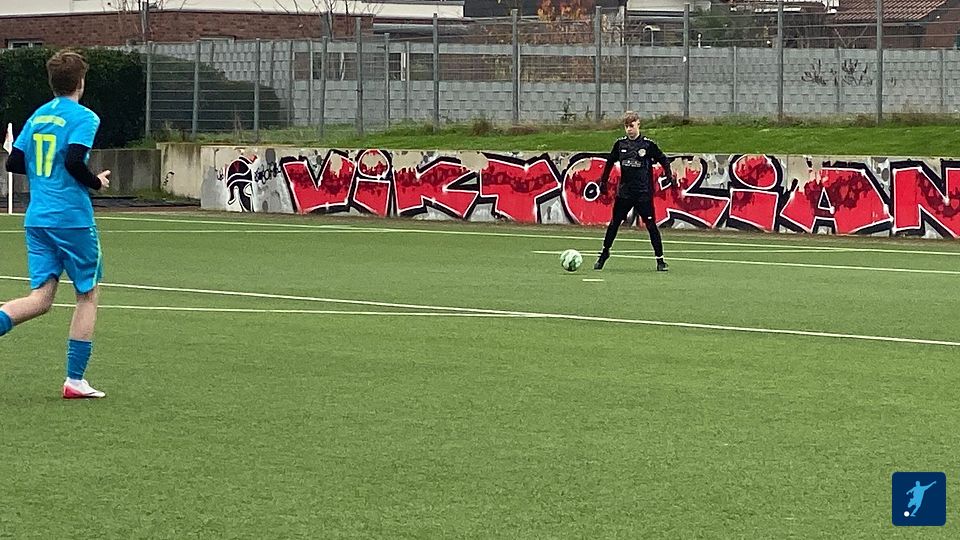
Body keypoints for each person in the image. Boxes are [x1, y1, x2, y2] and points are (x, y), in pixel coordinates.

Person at [1, 49, 111, 398]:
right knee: (87, 295)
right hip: (71, 219)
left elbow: (13, 163)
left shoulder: (38, 115)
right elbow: (75, 161)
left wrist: (41, 172)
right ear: (81, 82)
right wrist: (97, 183)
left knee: (41, 298)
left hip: (37, 219)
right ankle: (75, 380)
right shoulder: (84, 117)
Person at [594, 111, 675, 272]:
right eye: (626, 126)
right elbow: (609, 162)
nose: (629, 129)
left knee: (651, 225)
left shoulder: (647, 145)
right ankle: (604, 253)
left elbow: (663, 159)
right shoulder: (620, 144)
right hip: (625, 193)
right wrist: (603, 181)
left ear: (638, 124)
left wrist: (668, 174)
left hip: (643, 193)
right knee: (614, 223)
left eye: (631, 126)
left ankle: (660, 260)